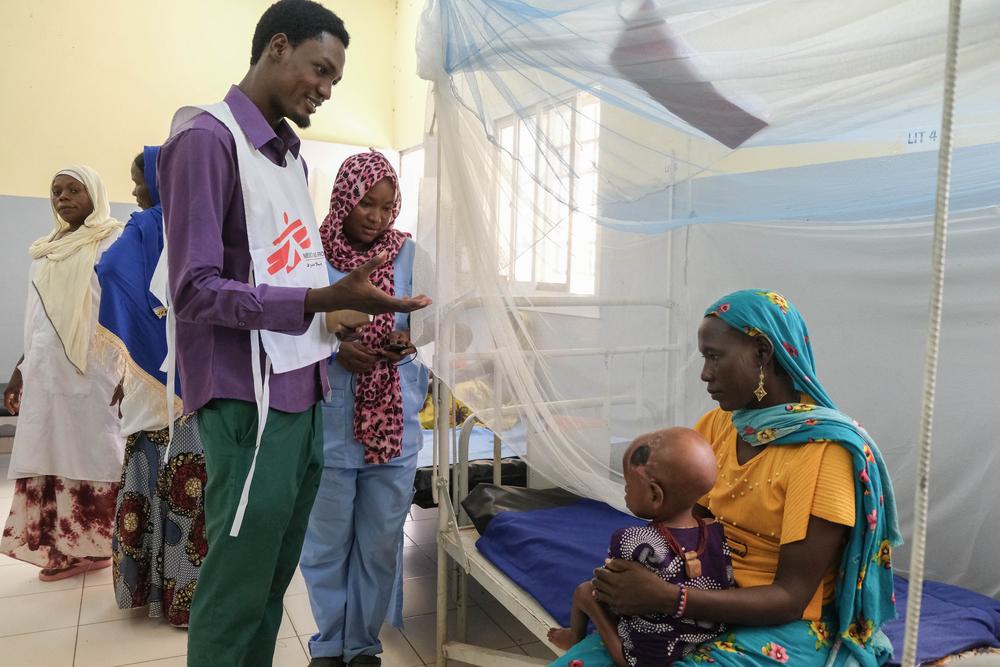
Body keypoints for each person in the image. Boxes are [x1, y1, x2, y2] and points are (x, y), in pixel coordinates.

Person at [157, 2, 429, 665]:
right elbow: (192, 289)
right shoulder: (208, 140)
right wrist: (320, 299)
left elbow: (278, 273)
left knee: (272, 580)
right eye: (320, 69)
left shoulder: (285, 159)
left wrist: (335, 318)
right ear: (277, 46)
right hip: (247, 399)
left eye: (335, 78)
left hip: (302, 392)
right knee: (237, 586)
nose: (327, 89)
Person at [589, 290, 901, 666]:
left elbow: (790, 598)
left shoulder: (824, 454)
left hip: (784, 624)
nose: (705, 373)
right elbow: (688, 526)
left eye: (714, 356)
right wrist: (636, 578)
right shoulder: (719, 426)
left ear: (762, 353)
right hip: (704, 598)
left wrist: (669, 598)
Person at [299, 151, 429, 667]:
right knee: (326, 546)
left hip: (394, 431)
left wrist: (406, 342)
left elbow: (429, 321)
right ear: (343, 199)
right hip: (331, 427)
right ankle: (329, 645)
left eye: (386, 206)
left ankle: (362, 647)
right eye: (366, 204)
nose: (376, 217)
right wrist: (336, 352)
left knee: (379, 545)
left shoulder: (408, 254)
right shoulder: (310, 252)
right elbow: (287, 330)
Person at [95, 147, 206, 627]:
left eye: (140, 180)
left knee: (150, 483)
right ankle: (188, 600)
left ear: (159, 181)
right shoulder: (200, 227)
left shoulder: (142, 227)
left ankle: (146, 591)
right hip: (198, 379)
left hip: (151, 380)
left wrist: (140, 329)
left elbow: (108, 270)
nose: (136, 190)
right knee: (191, 492)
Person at [1, 165, 124, 581]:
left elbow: (123, 307)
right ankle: (62, 547)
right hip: (45, 371)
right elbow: (41, 318)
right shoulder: (47, 248)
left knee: (92, 455)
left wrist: (129, 370)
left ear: (95, 194)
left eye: (74, 190)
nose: (63, 198)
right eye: (57, 191)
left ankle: (97, 546)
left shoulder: (111, 240)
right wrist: (21, 369)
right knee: (49, 453)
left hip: (93, 372)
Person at [548, 427, 734, 667]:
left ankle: (574, 636)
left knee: (585, 591)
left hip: (646, 658)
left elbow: (612, 591)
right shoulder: (715, 532)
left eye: (628, 485)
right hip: (705, 638)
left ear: (655, 494)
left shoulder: (632, 540)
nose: (625, 490)